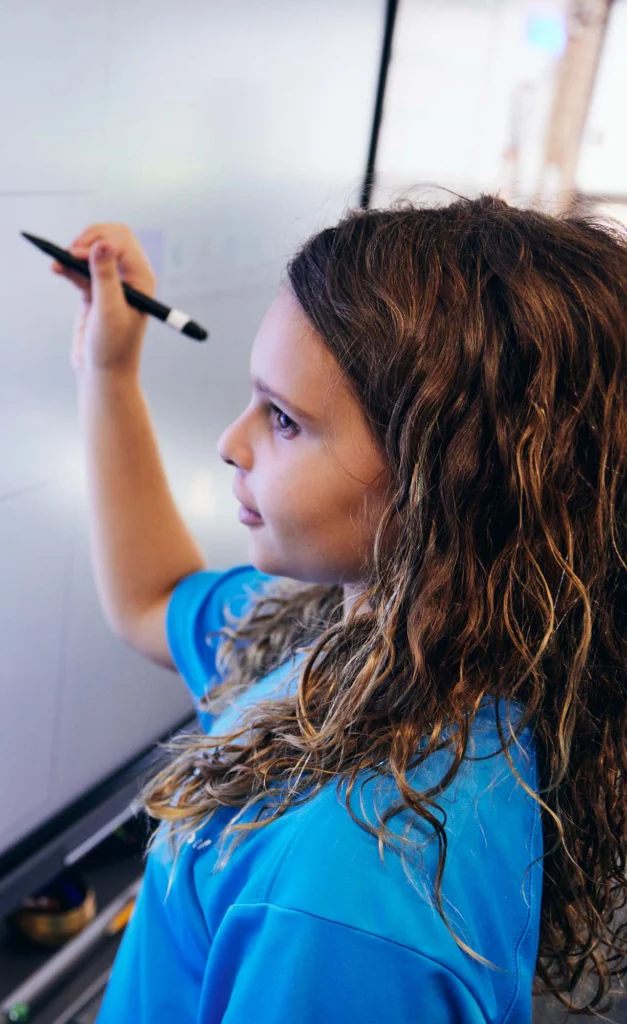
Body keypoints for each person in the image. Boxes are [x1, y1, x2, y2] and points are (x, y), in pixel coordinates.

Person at [57, 197, 627, 1023]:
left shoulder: (348, 893)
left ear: (442, 485)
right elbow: (151, 599)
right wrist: (107, 373)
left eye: (283, 420)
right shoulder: (360, 637)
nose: (231, 440)